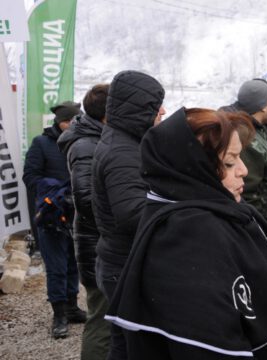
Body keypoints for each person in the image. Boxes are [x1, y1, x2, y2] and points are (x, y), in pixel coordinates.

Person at [104, 108, 267, 359]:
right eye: (229, 163)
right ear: (194, 169)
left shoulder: (225, 214)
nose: (243, 170)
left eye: (240, 158)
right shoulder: (186, 240)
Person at [92, 70, 165, 360]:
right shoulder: (122, 151)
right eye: (154, 106)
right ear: (137, 109)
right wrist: (176, 209)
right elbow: (133, 213)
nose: (161, 112)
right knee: (137, 346)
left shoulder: (123, 140)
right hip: (124, 264)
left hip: (118, 260)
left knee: (124, 343)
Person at [23, 101, 86, 339]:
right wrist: (56, 192)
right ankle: (58, 314)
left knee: (74, 264)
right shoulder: (42, 143)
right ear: (59, 122)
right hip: (51, 214)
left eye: (76, 120)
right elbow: (30, 176)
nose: (72, 124)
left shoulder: (81, 142)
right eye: (68, 120)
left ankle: (72, 307)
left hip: (77, 214)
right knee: (57, 266)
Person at [57, 84, 111, 359]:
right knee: (101, 321)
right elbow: (87, 198)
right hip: (97, 245)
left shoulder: (95, 138)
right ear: (107, 113)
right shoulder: (86, 145)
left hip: (99, 242)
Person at [220, 79, 267, 250]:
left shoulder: (257, 128)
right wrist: (259, 221)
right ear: (263, 106)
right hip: (257, 222)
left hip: (264, 220)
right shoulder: (244, 135)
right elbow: (247, 187)